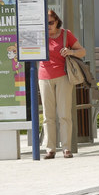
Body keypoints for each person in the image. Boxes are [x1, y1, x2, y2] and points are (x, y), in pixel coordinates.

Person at [38, 9, 86, 159]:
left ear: (57, 21)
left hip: (64, 76)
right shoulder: (39, 35)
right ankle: (50, 149)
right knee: (48, 115)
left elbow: (82, 51)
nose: (48, 26)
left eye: (50, 23)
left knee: (64, 114)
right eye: (45, 24)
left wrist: (70, 52)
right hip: (44, 76)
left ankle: (66, 148)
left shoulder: (66, 34)